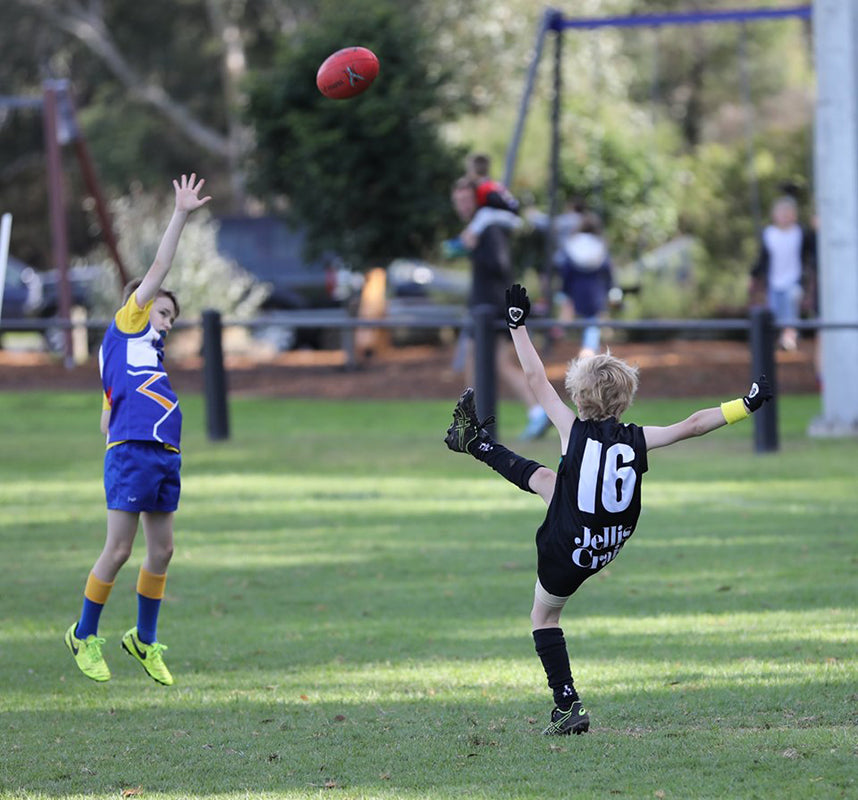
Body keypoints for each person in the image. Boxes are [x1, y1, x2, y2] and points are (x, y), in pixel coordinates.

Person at [444, 282, 772, 735]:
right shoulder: (637, 437)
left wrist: (517, 326)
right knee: (546, 480)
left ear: (578, 397)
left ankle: (566, 704)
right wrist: (746, 404)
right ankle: (474, 441)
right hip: (607, 539)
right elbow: (694, 424)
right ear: (625, 399)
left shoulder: (570, 428)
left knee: (544, 617)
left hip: (568, 546)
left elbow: (537, 379)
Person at [64, 173, 211, 685]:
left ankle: (143, 641)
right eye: (163, 311)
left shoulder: (137, 353)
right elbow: (159, 266)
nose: (168, 320)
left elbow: (108, 407)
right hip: (134, 453)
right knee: (120, 549)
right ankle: (83, 633)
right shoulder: (130, 321)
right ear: (141, 304)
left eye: (171, 315)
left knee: (163, 549)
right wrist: (181, 214)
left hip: (162, 454)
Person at [450, 178, 551, 440]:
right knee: (486, 363)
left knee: (494, 364)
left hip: (490, 308)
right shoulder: (483, 226)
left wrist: (474, 249)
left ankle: (533, 412)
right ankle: (479, 420)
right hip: (485, 306)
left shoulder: (489, 228)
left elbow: (500, 265)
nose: (461, 205)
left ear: (476, 201)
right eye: (457, 200)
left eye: (466, 199)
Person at [750, 195, 815, 351]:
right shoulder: (769, 234)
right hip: (774, 281)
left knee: (790, 303)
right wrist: (753, 276)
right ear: (774, 215)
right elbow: (762, 259)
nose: (785, 217)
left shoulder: (800, 233)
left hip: (794, 280)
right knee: (774, 311)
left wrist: (815, 229)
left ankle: (789, 335)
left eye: (788, 213)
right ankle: (775, 339)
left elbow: (812, 251)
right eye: (781, 213)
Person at [556, 211, 614, 357]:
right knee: (592, 323)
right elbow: (607, 271)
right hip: (595, 291)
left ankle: (566, 339)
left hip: (576, 289)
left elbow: (566, 270)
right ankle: (588, 350)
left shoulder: (572, 245)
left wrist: (565, 291)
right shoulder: (600, 246)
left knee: (572, 318)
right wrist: (610, 289)